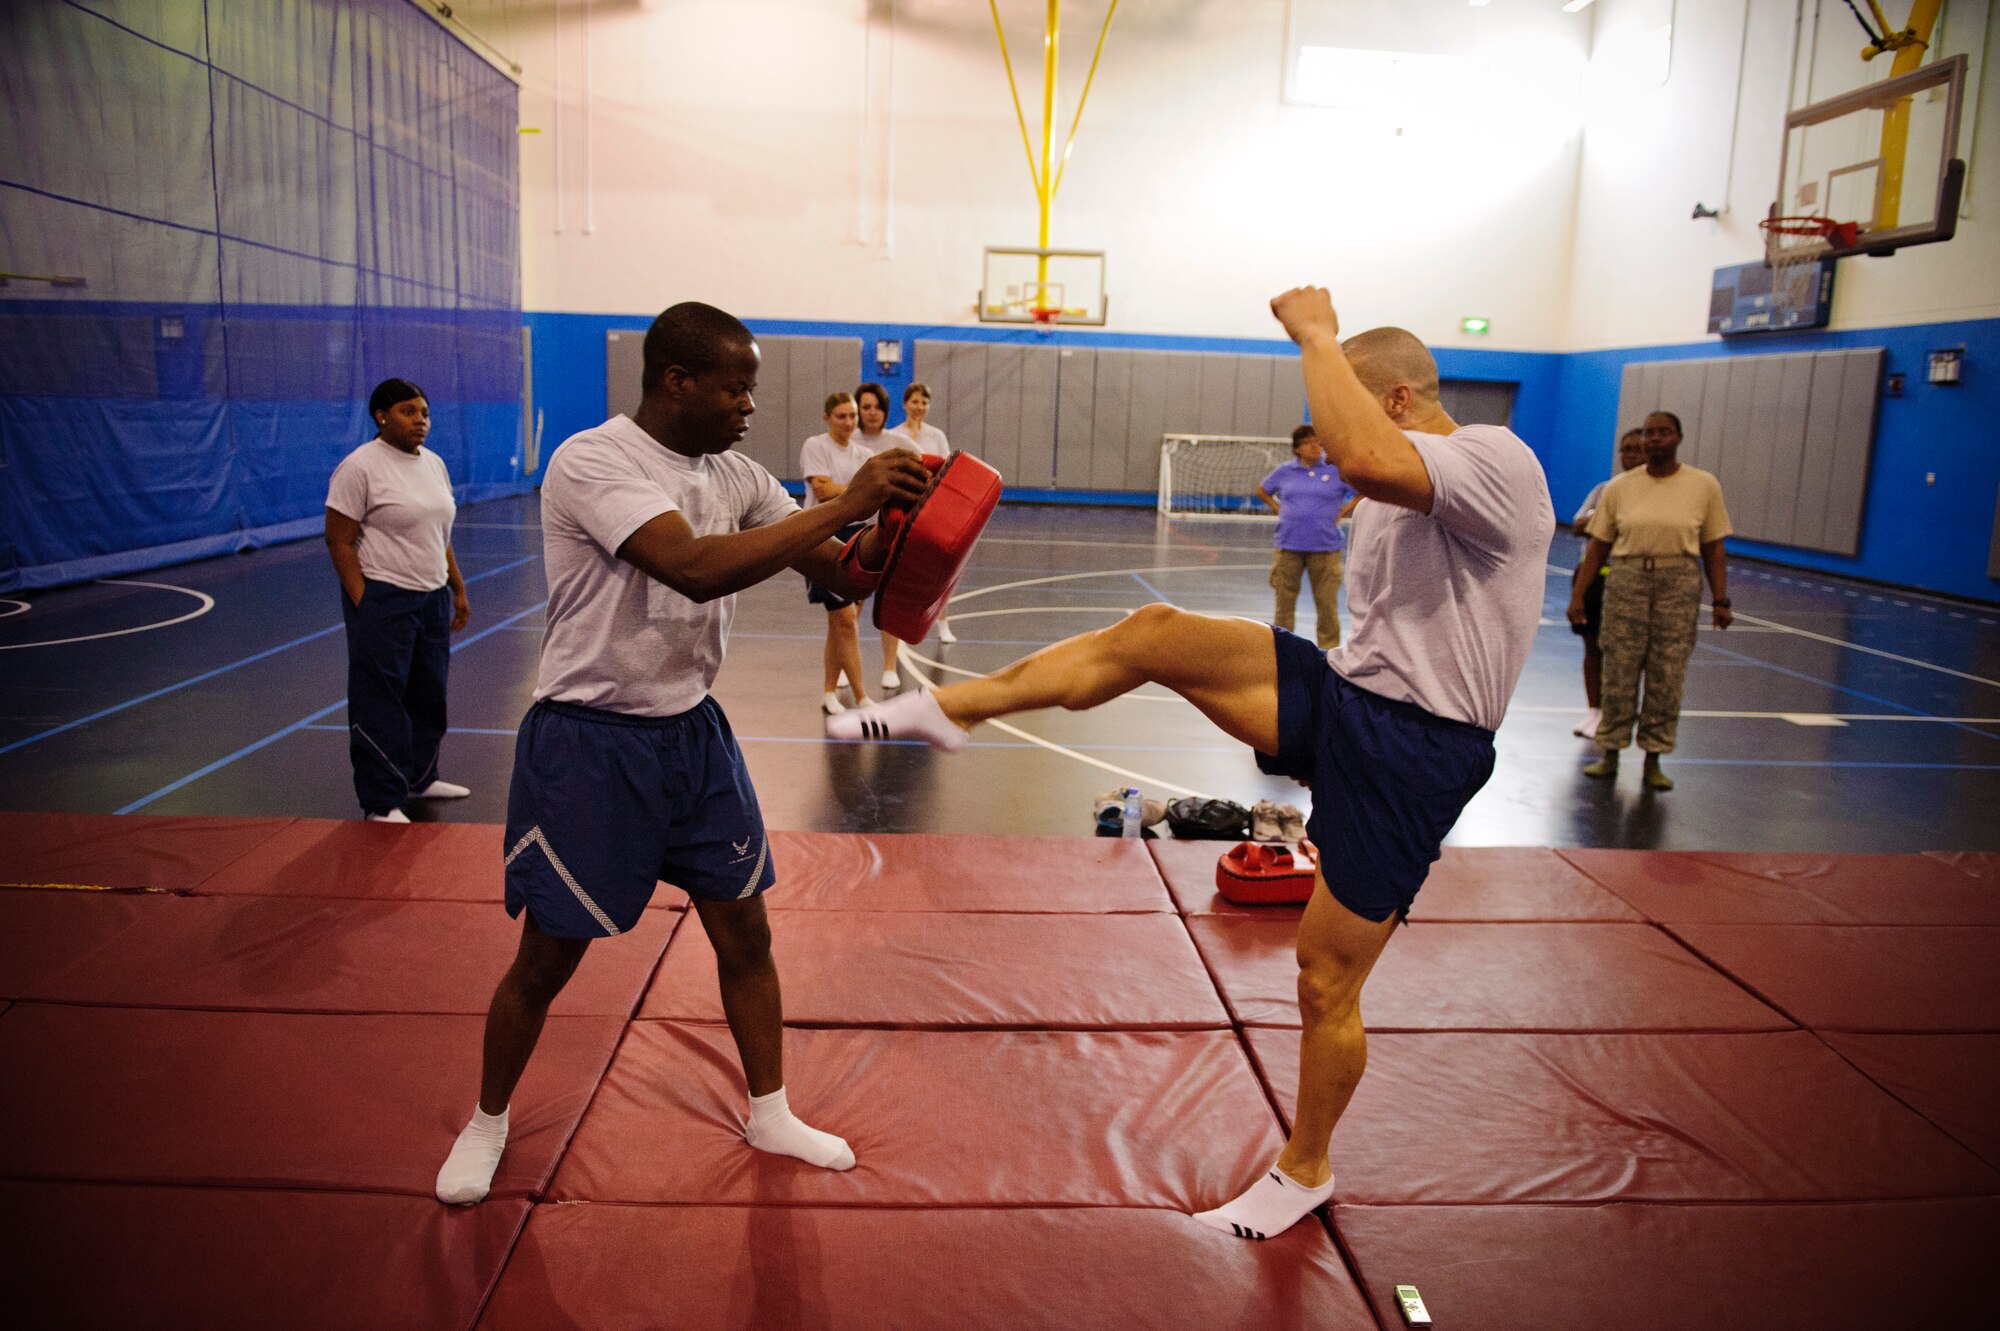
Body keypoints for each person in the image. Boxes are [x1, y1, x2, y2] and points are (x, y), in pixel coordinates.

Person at [831, 290, 1555, 1241]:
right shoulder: (1388, 493)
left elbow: (1368, 455)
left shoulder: (1496, 459)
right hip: (1340, 699)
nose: (1334, 455)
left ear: (1397, 401)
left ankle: (1306, 1169)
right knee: (1155, 634)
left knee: (1325, 979)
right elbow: (1369, 478)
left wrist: (1316, 336)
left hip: (1418, 750)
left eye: (1347, 422)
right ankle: (946, 709)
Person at [434, 303, 929, 1206]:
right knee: (549, 954)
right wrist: (853, 497)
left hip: (692, 734)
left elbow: (843, 571)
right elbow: (693, 564)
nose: (749, 405)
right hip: (590, 739)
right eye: (736, 387)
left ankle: (770, 1109)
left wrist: (897, 527)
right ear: (677, 381)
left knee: (745, 928)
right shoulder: (593, 460)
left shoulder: (736, 472)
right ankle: (489, 1117)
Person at [324, 378, 472, 823]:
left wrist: (457, 588)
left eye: (425, 412)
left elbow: (439, 535)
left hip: (431, 597)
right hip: (385, 597)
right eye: (408, 411)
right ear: (381, 415)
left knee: (429, 693)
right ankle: (381, 800)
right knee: (381, 698)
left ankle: (420, 777)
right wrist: (364, 600)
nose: (420, 420)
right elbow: (338, 540)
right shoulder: (360, 467)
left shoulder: (434, 464)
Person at [1569, 411, 1732, 791]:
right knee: (1618, 667)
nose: (1654, 439)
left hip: (1678, 579)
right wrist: (1579, 595)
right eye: (1648, 433)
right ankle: (1609, 752)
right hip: (1627, 578)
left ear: (1678, 437)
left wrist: (1721, 599)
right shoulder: (1620, 488)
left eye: (1663, 432)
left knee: (1667, 672)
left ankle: (1653, 758)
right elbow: (1598, 546)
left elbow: (1713, 546)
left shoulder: (1703, 485)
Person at [802, 393, 880, 715]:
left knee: (844, 622)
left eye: (852, 416)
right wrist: (857, 490)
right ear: (827, 418)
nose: (848, 422)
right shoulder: (815, 446)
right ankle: (862, 697)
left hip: (857, 535)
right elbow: (822, 491)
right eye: (841, 416)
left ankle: (829, 691)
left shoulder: (865, 453)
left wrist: (844, 489)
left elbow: (866, 496)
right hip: (822, 535)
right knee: (845, 620)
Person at [1567, 429, 1647, 738]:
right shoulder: (1605, 489)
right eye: (1624, 450)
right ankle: (1594, 711)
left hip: (1627, 580)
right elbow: (1580, 524)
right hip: (1594, 579)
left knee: (1624, 652)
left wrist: (1600, 526)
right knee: (1592, 647)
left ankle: (1620, 714)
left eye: (1635, 450)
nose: (1629, 456)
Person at [1257, 424, 1359, 650]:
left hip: (1325, 547)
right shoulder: (1284, 471)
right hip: (1288, 544)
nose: (1314, 446)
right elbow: (1263, 489)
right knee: (1284, 602)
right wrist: (1278, 508)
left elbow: (1361, 491)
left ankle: (1329, 651)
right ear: (1297, 448)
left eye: (1317, 441)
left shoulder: (1335, 470)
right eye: (1308, 442)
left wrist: (1344, 510)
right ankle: (1283, 650)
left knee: (1327, 604)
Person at [891, 382, 958, 645]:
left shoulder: (937, 436)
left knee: (939, 570)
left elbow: (945, 469)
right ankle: (898, 628)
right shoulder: (894, 434)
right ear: (905, 403)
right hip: (904, 507)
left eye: (924, 402)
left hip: (932, 508)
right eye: (915, 401)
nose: (919, 407)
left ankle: (942, 623)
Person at [854, 380, 912, 687]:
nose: (872, 412)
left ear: (885, 410)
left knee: (888, 602)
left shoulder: (899, 443)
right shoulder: (847, 441)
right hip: (854, 534)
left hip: (891, 534)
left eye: (877, 407)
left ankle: (890, 665)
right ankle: (844, 671)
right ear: (857, 410)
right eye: (865, 407)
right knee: (849, 606)